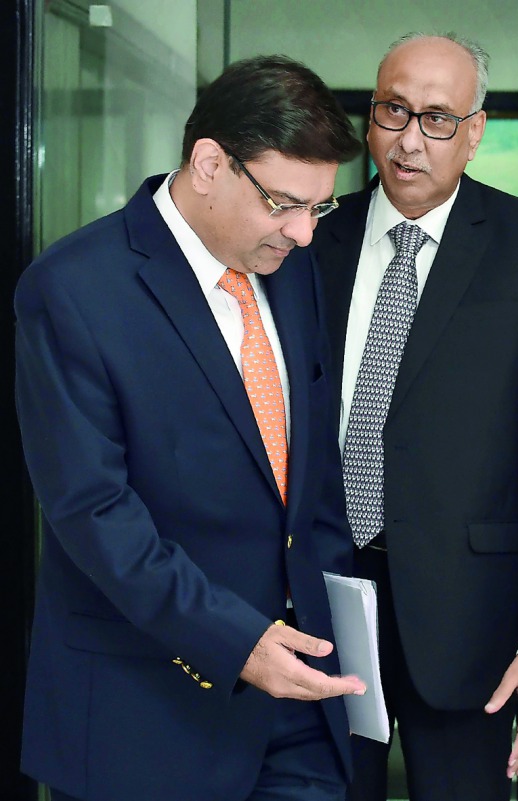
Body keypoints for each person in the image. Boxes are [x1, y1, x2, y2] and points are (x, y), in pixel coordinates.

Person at [16, 55, 364, 801]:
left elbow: (309, 477)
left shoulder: (291, 270)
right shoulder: (73, 289)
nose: (305, 233)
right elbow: (93, 512)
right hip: (142, 716)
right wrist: (238, 642)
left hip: (300, 714)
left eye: (320, 208)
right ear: (209, 164)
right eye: (284, 203)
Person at [311, 33, 518, 801]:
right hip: (323, 601)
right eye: (393, 111)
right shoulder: (314, 237)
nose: (410, 140)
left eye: (437, 119)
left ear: (475, 131)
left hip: (472, 620)